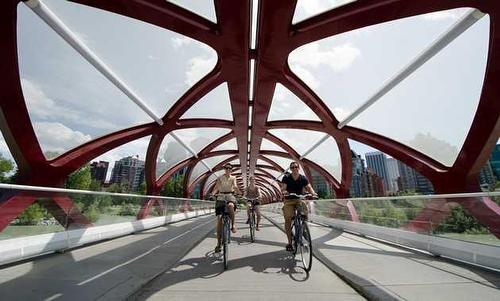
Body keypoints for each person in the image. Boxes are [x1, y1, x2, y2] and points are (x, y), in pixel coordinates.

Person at [280, 161, 317, 252]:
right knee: (288, 219)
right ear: (290, 169)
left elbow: (309, 187)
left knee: (304, 210)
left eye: (296, 167)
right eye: (292, 167)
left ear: (298, 168)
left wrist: (313, 193)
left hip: (299, 199)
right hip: (289, 200)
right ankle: (289, 242)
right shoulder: (286, 177)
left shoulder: (303, 178)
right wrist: (284, 191)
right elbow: (283, 188)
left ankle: (304, 227)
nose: (294, 169)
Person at [212, 162, 241, 253]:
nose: (228, 169)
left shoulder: (233, 177)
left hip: (230, 195)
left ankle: (233, 224)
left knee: (230, 205)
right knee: (219, 219)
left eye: (230, 168)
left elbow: (235, 186)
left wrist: (238, 191)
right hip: (221, 197)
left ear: (231, 170)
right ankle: (218, 243)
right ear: (224, 169)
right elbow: (216, 187)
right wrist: (212, 194)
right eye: (226, 168)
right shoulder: (220, 178)